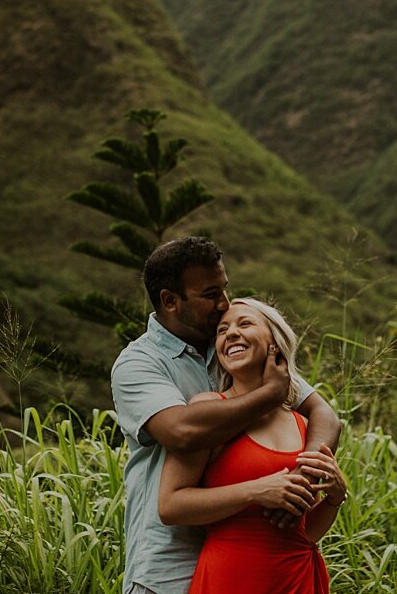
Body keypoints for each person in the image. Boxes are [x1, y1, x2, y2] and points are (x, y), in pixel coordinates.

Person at [112, 237, 342, 594]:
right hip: (167, 566)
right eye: (210, 294)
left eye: (224, 289)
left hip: (254, 566)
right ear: (170, 301)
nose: (224, 305)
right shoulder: (139, 363)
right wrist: (268, 394)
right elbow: (182, 432)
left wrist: (305, 475)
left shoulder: (234, 350)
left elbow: (323, 412)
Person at [157, 298, 347, 594]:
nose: (230, 333)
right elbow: (171, 506)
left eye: (244, 323)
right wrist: (257, 490)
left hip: (298, 577)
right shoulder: (208, 410)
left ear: (276, 341)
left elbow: (304, 532)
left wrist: (335, 496)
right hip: (231, 577)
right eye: (222, 330)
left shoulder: (304, 426)